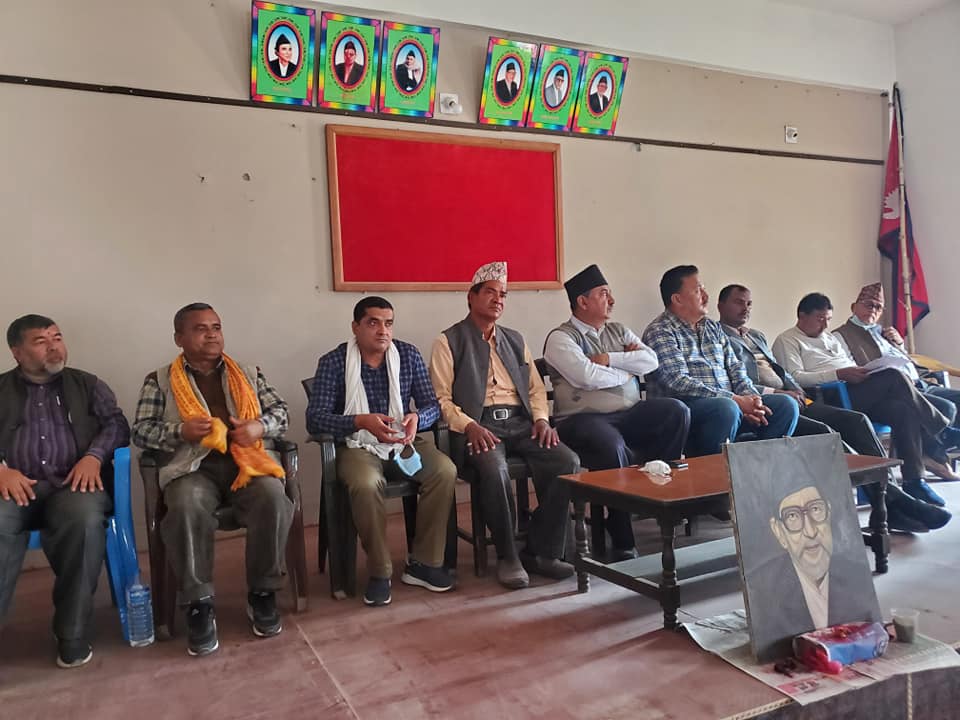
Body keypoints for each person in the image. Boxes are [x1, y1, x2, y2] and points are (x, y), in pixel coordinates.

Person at [718, 285, 950, 532]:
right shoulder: (721, 336)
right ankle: (894, 501)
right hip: (768, 404)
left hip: (797, 399)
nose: (746, 308)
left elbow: (783, 373)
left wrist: (795, 389)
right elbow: (735, 381)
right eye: (738, 302)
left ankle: (892, 497)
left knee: (860, 420)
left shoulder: (756, 336)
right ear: (720, 306)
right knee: (832, 431)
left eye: (749, 303)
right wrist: (776, 392)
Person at [132, 303, 293, 657]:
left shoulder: (248, 373)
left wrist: (259, 427)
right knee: (185, 505)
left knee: (273, 498)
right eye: (200, 329)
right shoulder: (159, 380)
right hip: (193, 467)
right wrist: (180, 431)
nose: (211, 335)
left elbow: (281, 412)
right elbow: (141, 431)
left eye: (216, 327)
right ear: (179, 338)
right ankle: (198, 602)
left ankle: (263, 592)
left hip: (246, 463)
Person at [430, 262, 580, 589]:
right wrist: (469, 426)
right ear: (471, 297)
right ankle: (508, 555)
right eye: (490, 292)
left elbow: (535, 389)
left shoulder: (514, 339)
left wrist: (541, 420)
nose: (498, 300)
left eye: (503, 295)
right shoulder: (448, 341)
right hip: (478, 426)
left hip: (521, 422)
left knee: (566, 461)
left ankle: (541, 550)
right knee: (494, 469)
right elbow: (441, 400)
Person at [306, 297, 456, 606]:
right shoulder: (334, 362)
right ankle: (380, 571)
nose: (382, 331)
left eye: (388, 323)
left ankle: (424, 564)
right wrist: (359, 421)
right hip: (357, 444)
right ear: (356, 327)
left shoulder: (408, 355)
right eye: (373, 323)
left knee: (444, 471)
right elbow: (315, 418)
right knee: (365, 484)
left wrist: (418, 418)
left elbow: (432, 405)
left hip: (402, 441)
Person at [0, 314, 130, 668]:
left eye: (56, 337)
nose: (54, 346)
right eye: (41, 341)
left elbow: (117, 424)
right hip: (15, 488)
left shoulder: (87, 384)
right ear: (17, 352)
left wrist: (93, 456)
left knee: (85, 522)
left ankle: (71, 632)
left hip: (73, 485)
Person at [543, 265, 690, 560]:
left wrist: (609, 358)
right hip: (580, 420)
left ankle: (656, 496)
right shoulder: (561, 338)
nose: (611, 300)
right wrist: (626, 373)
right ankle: (622, 534)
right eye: (603, 294)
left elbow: (651, 361)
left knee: (676, 411)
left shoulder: (618, 331)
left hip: (627, 414)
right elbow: (586, 376)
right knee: (612, 445)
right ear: (582, 301)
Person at [772, 292, 950, 507]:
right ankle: (941, 430)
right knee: (893, 376)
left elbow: (847, 363)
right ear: (802, 315)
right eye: (820, 319)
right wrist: (838, 374)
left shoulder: (830, 338)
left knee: (903, 411)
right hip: (830, 396)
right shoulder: (787, 340)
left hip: (856, 389)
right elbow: (795, 378)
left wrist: (862, 371)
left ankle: (915, 481)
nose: (825, 325)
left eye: (828, 319)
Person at [642, 266, 799, 458]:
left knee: (785, 405)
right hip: (686, 409)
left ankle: (761, 468)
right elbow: (677, 381)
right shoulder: (660, 331)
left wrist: (752, 400)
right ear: (677, 299)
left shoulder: (712, 327)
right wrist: (735, 400)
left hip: (729, 404)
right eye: (698, 290)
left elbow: (736, 369)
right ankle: (717, 473)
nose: (706, 296)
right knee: (725, 408)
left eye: (704, 289)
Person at [747, 455, 881, 662]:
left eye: (815, 509)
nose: (810, 531)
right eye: (793, 516)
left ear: (828, 512)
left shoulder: (855, 574)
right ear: (779, 531)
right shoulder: (763, 588)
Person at [834, 282, 960, 481]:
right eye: (868, 305)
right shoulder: (840, 336)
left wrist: (900, 344)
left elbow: (906, 361)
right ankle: (937, 450)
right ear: (853, 307)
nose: (873, 310)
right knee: (946, 408)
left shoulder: (885, 333)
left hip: (918, 383)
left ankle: (934, 453)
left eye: (878, 307)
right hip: (890, 389)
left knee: (957, 399)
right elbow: (850, 368)